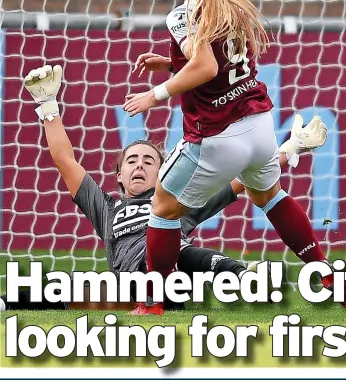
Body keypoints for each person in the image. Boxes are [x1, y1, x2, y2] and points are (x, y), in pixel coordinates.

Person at [122, 0, 346, 315]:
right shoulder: (233, 6)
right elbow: (218, 63)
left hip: (214, 136)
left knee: (161, 210)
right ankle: (325, 273)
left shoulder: (182, 14)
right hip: (258, 125)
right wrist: (171, 61)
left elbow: (207, 67)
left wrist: (155, 93)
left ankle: (152, 303)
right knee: (269, 196)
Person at [4, 64, 327, 315]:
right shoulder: (106, 207)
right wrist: (48, 105)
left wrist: (292, 148)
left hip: (172, 278)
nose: (140, 165)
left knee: (184, 253)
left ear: (163, 173)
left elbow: (246, 179)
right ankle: (7, 304)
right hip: (126, 283)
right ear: (118, 174)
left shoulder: (176, 202)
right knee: (67, 289)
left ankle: (243, 275)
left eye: (149, 160)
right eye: (132, 160)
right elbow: (65, 160)